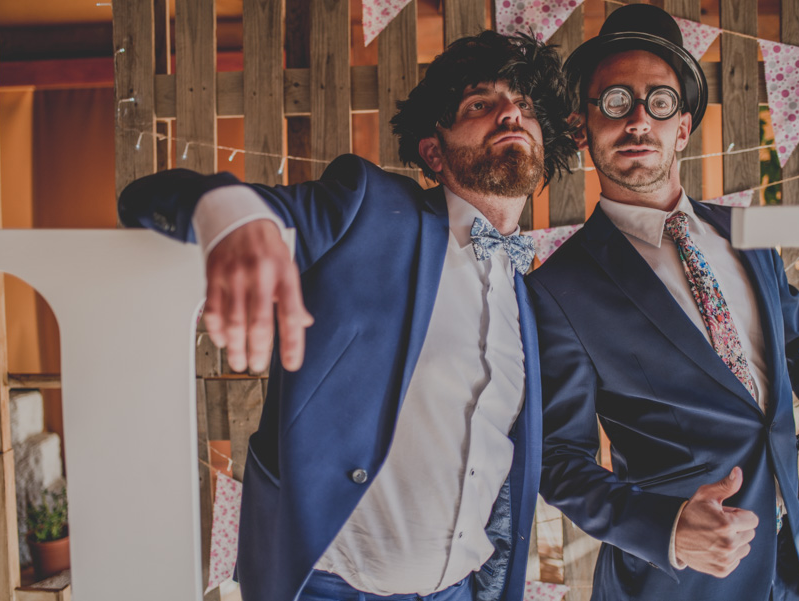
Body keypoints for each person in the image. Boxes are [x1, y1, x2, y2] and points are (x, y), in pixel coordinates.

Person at [118, 31, 576, 601]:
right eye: (478, 103)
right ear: (434, 152)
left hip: (460, 591)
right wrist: (230, 215)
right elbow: (149, 197)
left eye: (524, 104)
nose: (510, 113)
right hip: (328, 586)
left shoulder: (529, 298)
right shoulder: (370, 210)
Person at [527, 5, 799, 601]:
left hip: (798, 561)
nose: (637, 120)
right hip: (678, 581)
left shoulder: (746, 234)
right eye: (615, 101)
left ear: (683, 128)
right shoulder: (559, 289)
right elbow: (558, 459)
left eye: (659, 102)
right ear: (582, 127)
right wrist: (665, 530)